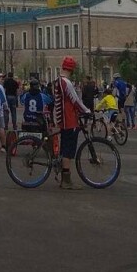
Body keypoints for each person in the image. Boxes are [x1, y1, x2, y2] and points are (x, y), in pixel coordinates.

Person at [50, 57, 88, 189]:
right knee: (68, 151)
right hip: (69, 120)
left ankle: (63, 178)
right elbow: (75, 100)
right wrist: (87, 111)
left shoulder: (58, 81)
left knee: (64, 148)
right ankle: (66, 181)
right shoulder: (66, 82)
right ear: (72, 69)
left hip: (62, 119)